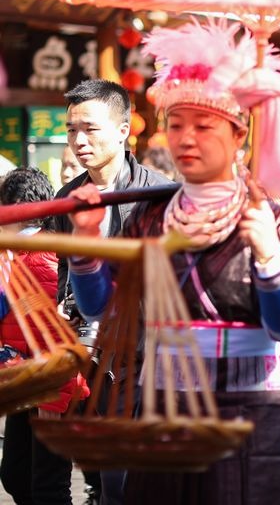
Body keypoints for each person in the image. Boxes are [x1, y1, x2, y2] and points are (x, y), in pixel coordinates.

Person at [65, 19, 280, 504]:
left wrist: (268, 255)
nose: (186, 138)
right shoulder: (152, 214)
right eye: (175, 125)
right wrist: (87, 254)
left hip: (249, 407)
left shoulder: (273, 218)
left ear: (238, 135)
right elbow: (104, 311)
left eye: (203, 126)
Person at [56, 78, 171, 505]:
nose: (79, 140)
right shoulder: (66, 199)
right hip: (94, 358)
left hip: (151, 356)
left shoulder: (157, 194)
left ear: (123, 130)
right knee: (108, 483)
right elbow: (61, 278)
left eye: (90, 128)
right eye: (71, 130)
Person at [0, 167, 89, 505]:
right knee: (16, 475)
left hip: (49, 391)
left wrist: (53, 399)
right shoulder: (17, 254)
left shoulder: (41, 260)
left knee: (48, 486)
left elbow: (59, 337)